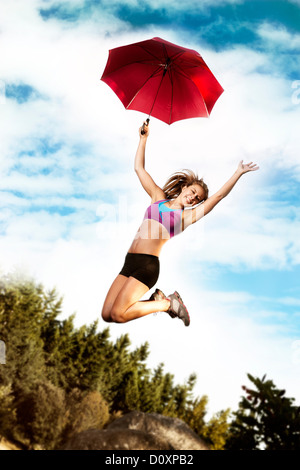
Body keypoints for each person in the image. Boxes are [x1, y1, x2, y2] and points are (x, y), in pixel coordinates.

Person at [101, 122, 259, 326]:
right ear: (185, 187)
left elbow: (218, 196)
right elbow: (139, 168)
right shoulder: (158, 197)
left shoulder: (185, 217)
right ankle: (158, 302)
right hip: (129, 261)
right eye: (192, 192)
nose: (193, 198)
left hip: (147, 266)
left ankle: (168, 304)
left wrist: (237, 173)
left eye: (197, 198)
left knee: (119, 315)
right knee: (107, 314)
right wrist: (143, 139)